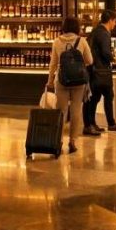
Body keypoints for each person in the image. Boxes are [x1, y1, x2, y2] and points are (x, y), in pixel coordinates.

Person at [45, 17, 93, 155]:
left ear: (64, 27)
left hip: (62, 80)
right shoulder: (82, 41)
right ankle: (72, 141)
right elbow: (90, 60)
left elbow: (53, 64)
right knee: (76, 111)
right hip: (79, 80)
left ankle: (58, 141)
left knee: (61, 111)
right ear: (77, 27)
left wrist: (49, 81)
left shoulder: (57, 42)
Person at [85, 10, 116, 135]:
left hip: (93, 70)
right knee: (108, 96)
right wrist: (114, 59)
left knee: (94, 98)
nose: (115, 24)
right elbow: (106, 52)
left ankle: (91, 124)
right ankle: (111, 123)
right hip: (102, 71)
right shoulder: (105, 34)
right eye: (115, 21)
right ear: (110, 20)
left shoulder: (95, 31)